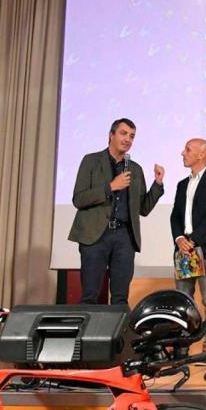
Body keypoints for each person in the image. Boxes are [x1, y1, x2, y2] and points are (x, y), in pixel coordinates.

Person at [69, 118, 164, 305]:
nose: (128, 139)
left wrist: (158, 184)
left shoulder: (135, 169)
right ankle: (88, 334)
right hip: (95, 236)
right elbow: (78, 199)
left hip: (124, 237)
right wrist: (110, 187)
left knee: (120, 298)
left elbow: (143, 209)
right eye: (123, 133)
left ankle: (118, 335)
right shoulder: (91, 161)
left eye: (132, 136)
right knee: (90, 296)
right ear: (111, 135)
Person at [170, 138, 206, 353]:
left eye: (187, 150)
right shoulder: (182, 184)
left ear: (201, 154)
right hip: (183, 248)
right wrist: (179, 238)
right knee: (183, 300)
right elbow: (175, 216)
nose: (182, 153)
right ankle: (182, 346)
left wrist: (193, 239)